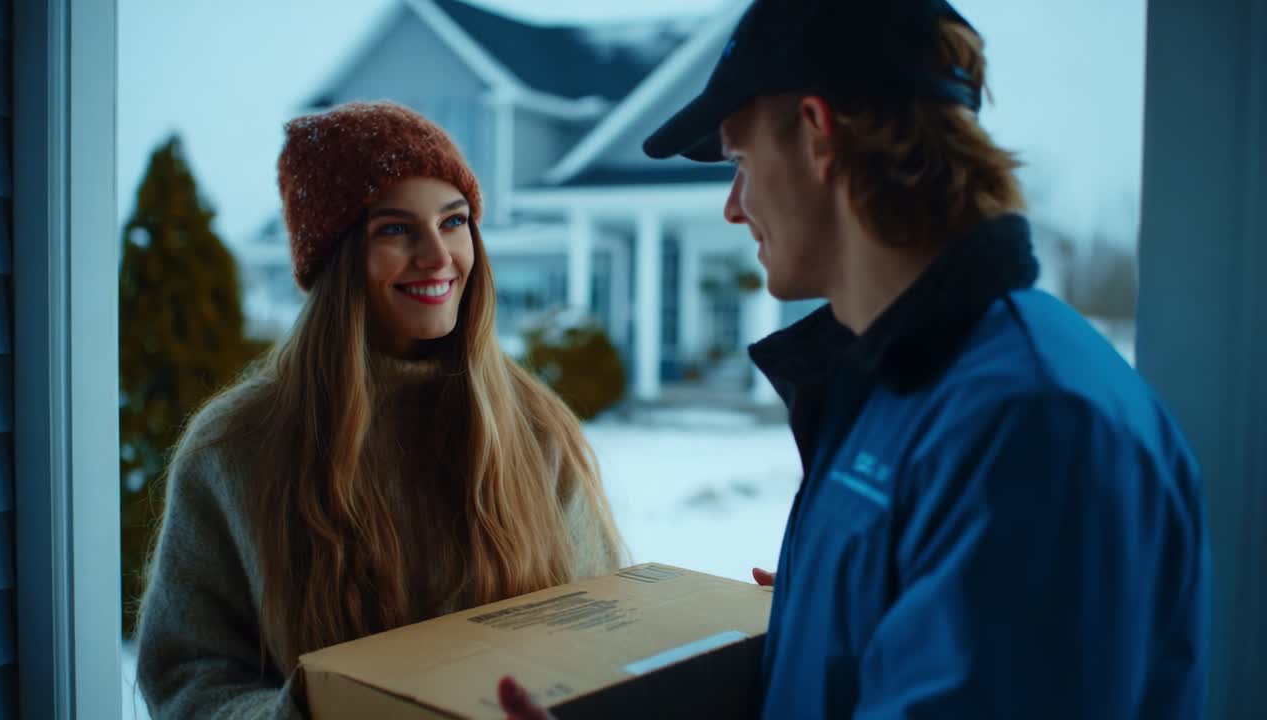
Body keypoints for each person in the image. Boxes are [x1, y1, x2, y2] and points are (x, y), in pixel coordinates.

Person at [499, 0, 1209, 717]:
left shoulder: (1036, 426)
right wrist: (833, 610)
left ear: (816, 134)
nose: (733, 207)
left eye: (741, 161)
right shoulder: (896, 384)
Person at [135, 100, 624, 719]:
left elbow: (605, 633)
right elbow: (187, 677)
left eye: (454, 221)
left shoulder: (534, 427)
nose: (438, 256)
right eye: (395, 229)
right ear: (335, 260)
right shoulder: (237, 446)